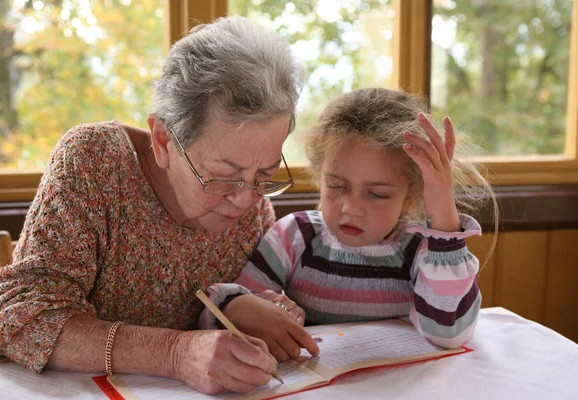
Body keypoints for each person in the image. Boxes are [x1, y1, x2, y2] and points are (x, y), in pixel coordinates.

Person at [0, 16, 319, 395]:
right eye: (224, 175)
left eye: (264, 173)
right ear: (163, 140)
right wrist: (174, 354)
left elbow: (227, 306)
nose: (246, 199)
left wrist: (256, 311)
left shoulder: (252, 208)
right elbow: (19, 317)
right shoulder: (96, 164)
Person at [202, 87, 498, 359]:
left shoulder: (422, 252)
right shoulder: (296, 236)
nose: (352, 208)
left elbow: (448, 333)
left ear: (410, 198)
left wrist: (444, 219)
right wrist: (247, 309)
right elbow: (225, 310)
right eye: (337, 186)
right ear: (320, 177)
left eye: (377, 194)